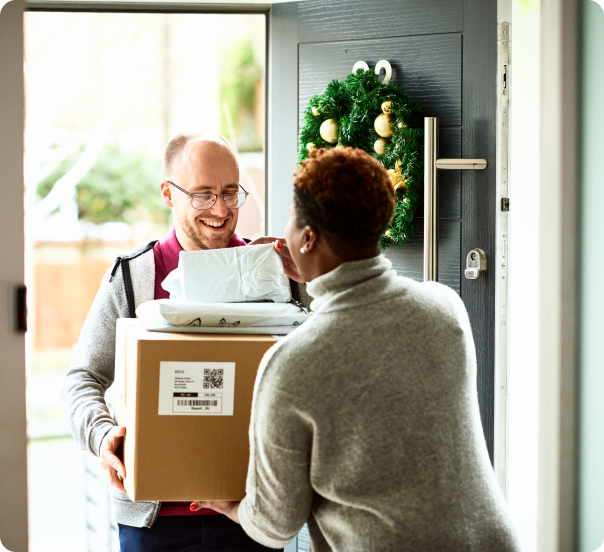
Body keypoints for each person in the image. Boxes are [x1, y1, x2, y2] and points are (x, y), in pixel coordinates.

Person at [194, 147, 521, 551]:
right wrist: (317, 273)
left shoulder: (292, 364)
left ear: (308, 237)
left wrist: (231, 506)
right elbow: (366, 324)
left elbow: (274, 526)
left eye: (292, 222)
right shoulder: (444, 307)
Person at [62, 132, 297, 551]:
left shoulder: (274, 271)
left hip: (252, 515)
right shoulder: (133, 279)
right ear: (169, 194)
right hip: (155, 525)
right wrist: (102, 436)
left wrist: (312, 278)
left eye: (230, 193)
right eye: (204, 195)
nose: (222, 210)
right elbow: (82, 378)